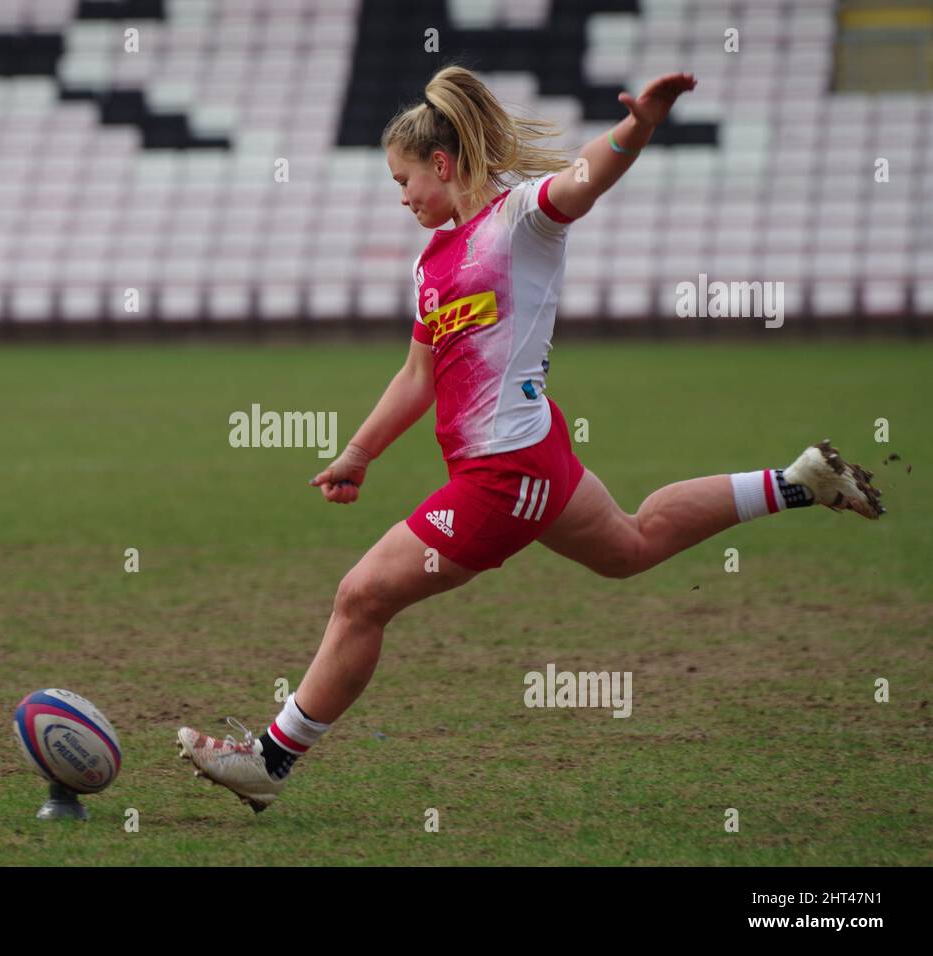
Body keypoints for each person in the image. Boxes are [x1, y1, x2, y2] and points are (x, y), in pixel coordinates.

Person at [177, 65, 884, 812]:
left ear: (441, 165)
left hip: (504, 474)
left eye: (403, 179)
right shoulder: (432, 262)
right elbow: (418, 374)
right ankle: (802, 482)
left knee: (360, 598)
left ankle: (271, 761)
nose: (403, 196)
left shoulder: (520, 220)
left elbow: (584, 179)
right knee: (632, 546)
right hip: (531, 456)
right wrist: (358, 453)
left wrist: (639, 125)